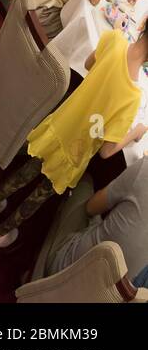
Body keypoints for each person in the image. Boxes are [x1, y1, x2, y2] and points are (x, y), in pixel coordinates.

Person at [0, 23, 147, 248]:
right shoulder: (132, 99)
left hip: (61, 124)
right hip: (76, 151)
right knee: (40, 194)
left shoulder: (114, 40)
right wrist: (135, 133)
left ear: (143, 23)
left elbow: (88, 64)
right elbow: (106, 150)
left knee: (26, 171)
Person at [46, 61, 148, 281]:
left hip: (69, 273)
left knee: (86, 184)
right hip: (107, 293)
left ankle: (40, 250)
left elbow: (93, 206)